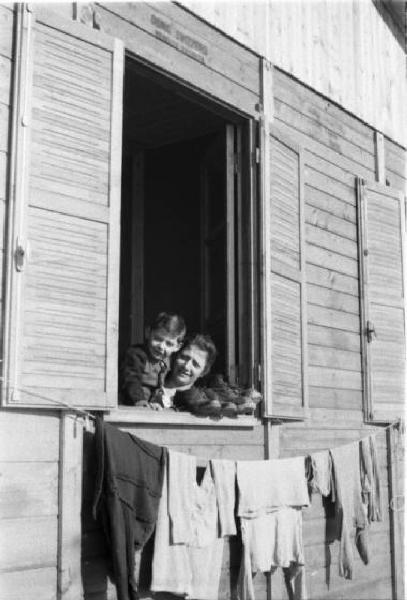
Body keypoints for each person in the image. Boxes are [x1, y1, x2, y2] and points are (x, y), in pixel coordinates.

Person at [120, 312, 186, 407]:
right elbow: (131, 379)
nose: (161, 346)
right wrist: (139, 400)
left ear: (177, 347)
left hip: (153, 406)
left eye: (169, 344)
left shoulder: (170, 361)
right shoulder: (137, 354)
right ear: (148, 332)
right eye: (158, 339)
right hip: (131, 403)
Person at [154, 333, 221, 415]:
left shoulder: (202, 402)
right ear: (175, 356)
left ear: (204, 372)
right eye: (184, 357)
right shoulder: (150, 386)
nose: (186, 366)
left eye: (195, 364)